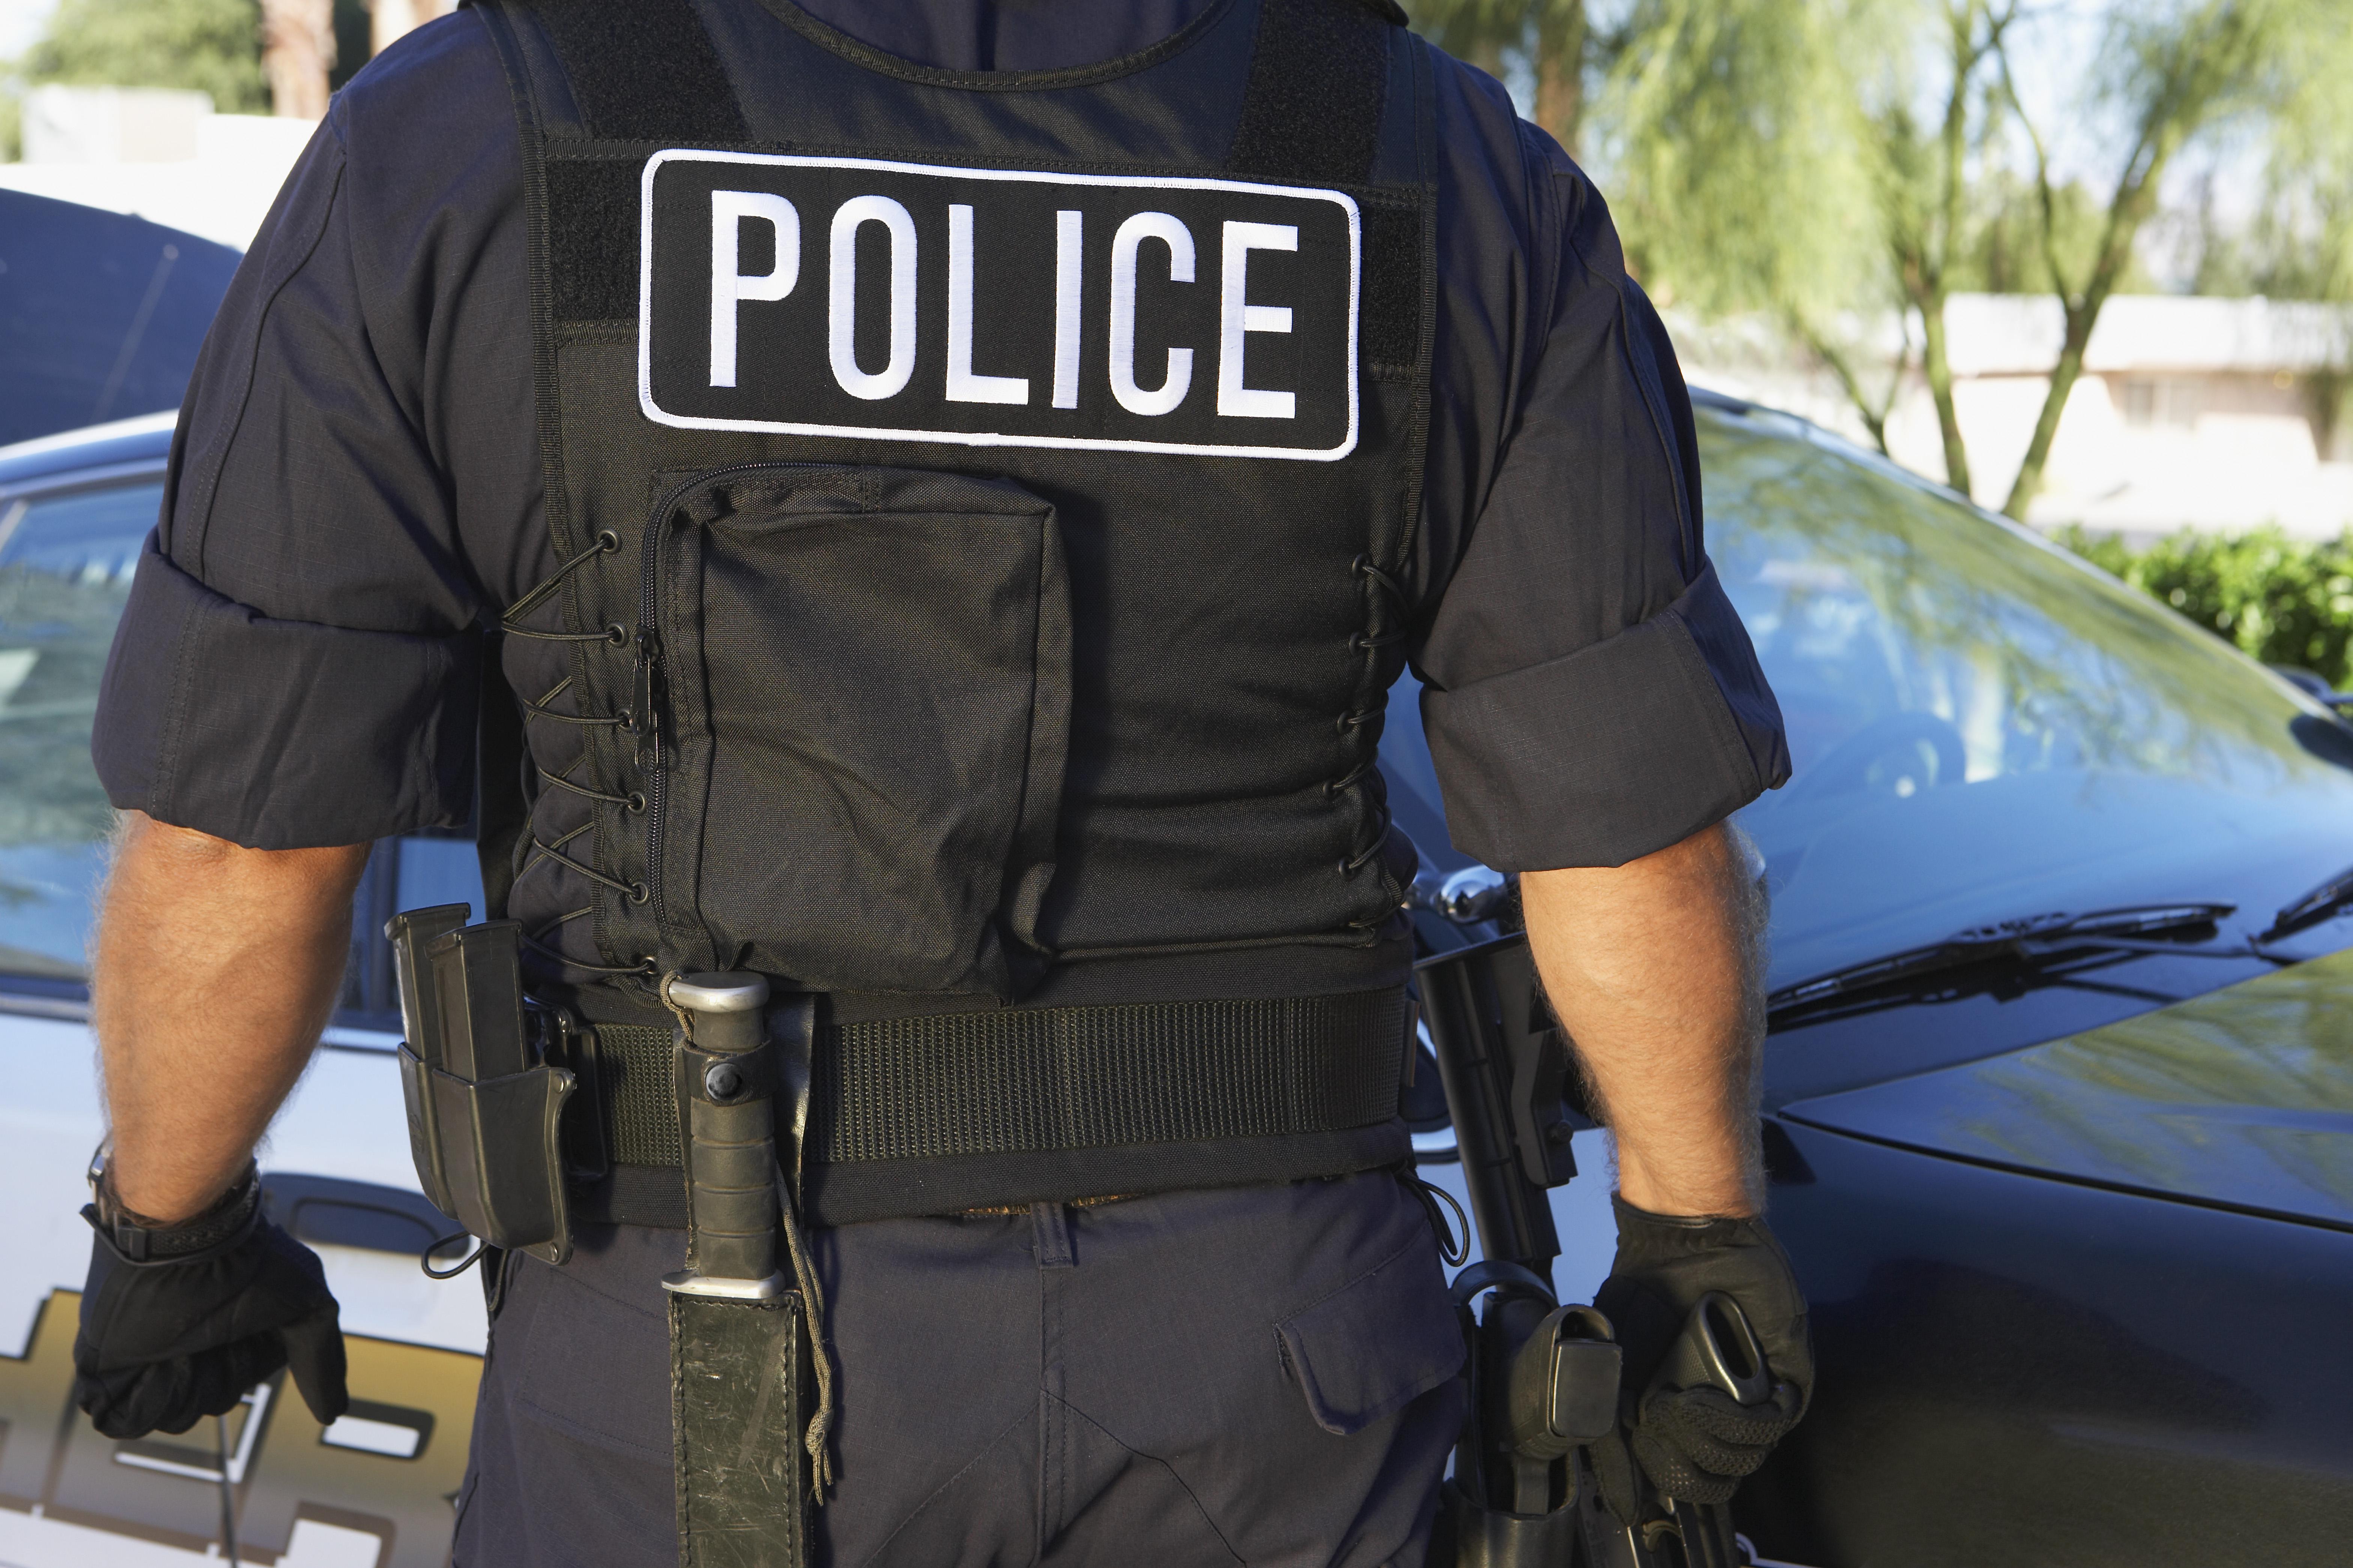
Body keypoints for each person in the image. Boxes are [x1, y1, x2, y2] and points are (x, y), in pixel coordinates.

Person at [71, 2, 1808, 1564]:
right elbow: (1624, 830)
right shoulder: (1415, 156)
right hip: (1271, 1364)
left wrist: (172, 1230)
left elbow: (244, 841)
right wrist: (1696, 1261)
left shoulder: (477, 129)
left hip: (692, 1361)